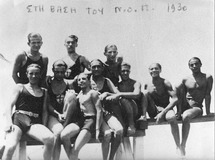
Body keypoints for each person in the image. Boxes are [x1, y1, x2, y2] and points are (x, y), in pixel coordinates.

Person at [3, 64, 54, 160]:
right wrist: (9, 123)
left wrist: (44, 126)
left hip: (34, 122)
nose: (34, 76)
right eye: (31, 73)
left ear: (40, 75)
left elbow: (44, 111)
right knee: (10, 147)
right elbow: (9, 106)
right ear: (27, 74)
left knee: (50, 138)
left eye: (36, 74)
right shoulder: (20, 87)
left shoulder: (44, 91)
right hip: (18, 120)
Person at [176, 57, 213, 158]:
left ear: (201, 64)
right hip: (184, 104)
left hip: (195, 107)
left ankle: (182, 145)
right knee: (176, 87)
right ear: (189, 67)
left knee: (186, 116)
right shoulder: (186, 79)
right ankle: (179, 112)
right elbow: (178, 94)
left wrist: (208, 112)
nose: (194, 66)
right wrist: (179, 111)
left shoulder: (207, 77)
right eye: (192, 65)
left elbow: (207, 95)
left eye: (196, 64)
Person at [60, 72, 103, 160]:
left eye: (84, 79)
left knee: (74, 152)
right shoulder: (79, 94)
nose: (81, 81)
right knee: (64, 136)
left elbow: (99, 111)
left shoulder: (93, 93)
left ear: (88, 81)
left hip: (90, 121)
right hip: (80, 121)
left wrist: (97, 129)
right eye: (79, 80)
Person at [90, 59, 124, 160]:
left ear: (102, 68)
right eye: (94, 67)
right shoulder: (86, 80)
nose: (96, 69)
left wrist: (108, 93)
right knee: (107, 134)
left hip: (105, 113)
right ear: (90, 68)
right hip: (93, 115)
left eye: (98, 66)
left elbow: (118, 94)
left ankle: (111, 157)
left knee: (119, 130)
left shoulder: (106, 81)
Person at [45, 60, 79, 160]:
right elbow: (47, 104)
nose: (59, 74)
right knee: (58, 132)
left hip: (66, 115)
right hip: (53, 114)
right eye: (57, 72)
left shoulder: (69, 83)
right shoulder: (48, 83)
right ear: (52, 70)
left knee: (71, 95)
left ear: (66, 71)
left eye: (62, 72)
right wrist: (57, 114)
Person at [144, 63, 181, 155]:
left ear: (160, 70)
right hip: (153, 110)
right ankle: (142, 116)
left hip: (166, 108)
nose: (153, 70)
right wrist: (143, 115)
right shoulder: (147, 84)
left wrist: (165, 112)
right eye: (151, 69)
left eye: (156, 68)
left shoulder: (165, 82)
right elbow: (144, 100)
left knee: (172, 118)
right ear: (149, 71)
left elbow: (175, 98)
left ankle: (178, 146)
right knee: (144, 93)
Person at [107, 62, 147, 136]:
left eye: (127, 71)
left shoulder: (135, 83)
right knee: (116, 102)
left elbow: (136, 94)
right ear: (119, 72)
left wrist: (120, 94)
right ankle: (122, 124)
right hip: (123, 112)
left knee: (124, 99)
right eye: (123, 71)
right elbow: (114, 95)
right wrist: (107, 94)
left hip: (135, 111)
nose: (125, 73)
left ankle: (131, 124)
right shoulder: (118, 85)